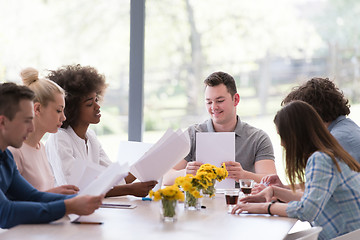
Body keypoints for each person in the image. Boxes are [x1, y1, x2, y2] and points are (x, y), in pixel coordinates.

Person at [231, 101, 360, 240]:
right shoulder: (329, 154)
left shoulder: (321, 159)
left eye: (283, 136)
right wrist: (275, 191)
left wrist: (265, 207)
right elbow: (313, 199)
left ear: (296, 135)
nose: (282, 143)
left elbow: (307, 211)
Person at [0, 82, 102, 228]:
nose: (30, 128)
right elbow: (5, 213)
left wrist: (82, 199)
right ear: (3, 122)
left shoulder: (5, 157)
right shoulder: (12, 153)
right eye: (26, 121)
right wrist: (68, 206)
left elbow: (32, 196)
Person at [45, 64, 157, 197]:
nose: (97, 107)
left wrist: (146, 164)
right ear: (71, 109)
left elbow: (113, 178)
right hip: (68, 214)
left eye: (96, 100)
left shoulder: (90, 137)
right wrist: (130, 190)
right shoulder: (59, 138)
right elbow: (74, 190)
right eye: (89, 104)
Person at [253, 77, 360, 193]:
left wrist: (273, 199)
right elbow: (320, 184)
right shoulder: (344, 128)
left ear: (309, 115)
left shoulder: (338, 140)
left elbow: (318, 197)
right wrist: (283, 188)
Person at [169, 71, 276, 184]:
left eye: (220, 101)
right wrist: (186, 173)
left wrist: (243, 175)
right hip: (202, 201)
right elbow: (166, 177)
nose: (214, 107)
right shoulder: (193, 134)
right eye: (209, 102)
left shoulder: (257, 138)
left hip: (242, 201)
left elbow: (271, 182)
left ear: (236, 100)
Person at [8, 67, 78, 194]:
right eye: (58, 110)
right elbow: (11, 205)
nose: (64, 117)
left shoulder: (42, 148)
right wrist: (55, 195)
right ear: (38, 109)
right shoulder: (14, 152)